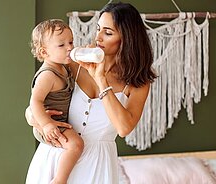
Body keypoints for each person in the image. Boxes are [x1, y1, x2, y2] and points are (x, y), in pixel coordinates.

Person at [26, 2, 157, 183]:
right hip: (55, 157)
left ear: (127, 39)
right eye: (98, 29)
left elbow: (124, 127)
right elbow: (38, 97)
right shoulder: (74, 63)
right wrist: (34, 117)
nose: (98, 38)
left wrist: (101, 79)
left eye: (108, 32)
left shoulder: (138, 83)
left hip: (97, 166)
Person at [28, 19, 84, 184]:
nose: (69, 47)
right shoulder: (47, 75)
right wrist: (46, 124)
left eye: (71, 42)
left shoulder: (64, 67)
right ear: (44, 52)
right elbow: (35, 101)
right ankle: (59, 180)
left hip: (57, 122)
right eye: (61, 45)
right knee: (76, 145)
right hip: (51, 124)